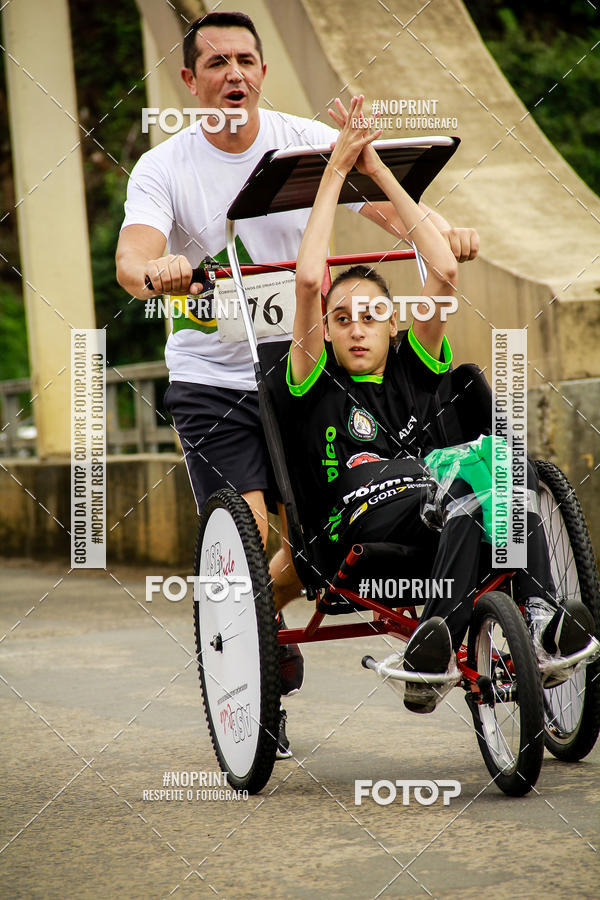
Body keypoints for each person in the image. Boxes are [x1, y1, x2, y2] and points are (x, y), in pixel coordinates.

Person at [116, 10, 479, 749]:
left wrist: (443, 230)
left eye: (245, 61)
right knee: (249, 532)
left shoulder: (304, 141)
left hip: (303, 368)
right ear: (189, 81)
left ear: (263, 71)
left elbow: (389, 211)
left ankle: (258, 622)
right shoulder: (164, 166)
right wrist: (159, 271)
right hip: (214, 379)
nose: (234, 75)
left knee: (312, 541)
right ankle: (254, 657)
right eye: (216, 63)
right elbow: (132, 259)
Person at [284, 95, 595, 712]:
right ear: (328, 330)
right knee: (469, 491)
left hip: (443, 498)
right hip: (362, 518)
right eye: (341, 319)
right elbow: (310, 280)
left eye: (370, 315)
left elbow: (445, 269)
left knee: (502, 491)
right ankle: (439, 650)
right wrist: (336, 169)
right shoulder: (314, 378)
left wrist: (377, 168)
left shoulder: (412, 362)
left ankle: (533, 630)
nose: (356, 328)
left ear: (392, 322)